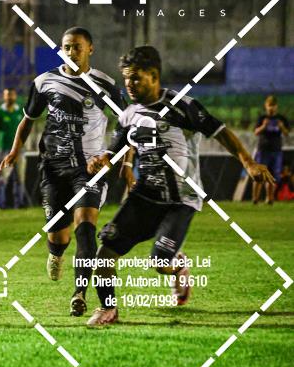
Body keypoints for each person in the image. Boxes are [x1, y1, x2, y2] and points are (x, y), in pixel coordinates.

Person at [86, 46, 274, 327]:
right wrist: (102, 160)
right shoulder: (128, 115)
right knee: (104, 255)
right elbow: (114, 149)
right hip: (144, 196)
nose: (129, 84)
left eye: (136, 77)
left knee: (160, 262)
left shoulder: (183, 106)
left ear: (154, 76)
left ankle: (177, 267)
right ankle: (108, 309)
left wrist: (248, 162)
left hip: (181, 199)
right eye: (126, 78)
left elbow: (220, 132)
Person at [0, 27, 128, 317]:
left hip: (90, 169)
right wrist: (15, 150)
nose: (71, 52)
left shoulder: (105, 85)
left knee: (86, 227)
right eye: (67, 47)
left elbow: (126, 124)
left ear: (90, 49)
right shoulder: (45, 81)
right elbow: (28, 120)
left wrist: (113, 158)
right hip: (53, 168)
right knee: (58, 236)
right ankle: (56, 254)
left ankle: (79, 293)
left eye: (77, 47)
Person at [0, 87, 27, 209]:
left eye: (11, 95)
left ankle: (20, 203)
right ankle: (1, 204)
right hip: (5, 149)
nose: (9, 97)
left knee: (20, 177)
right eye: (7, 95)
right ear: (4, 96)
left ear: (15, 96)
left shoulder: (20, 112)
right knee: (3, 178)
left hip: (19, 150)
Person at [253, 95, 288, 204]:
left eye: (273, 105)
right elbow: (256, 132)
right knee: (259, 175)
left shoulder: (281, 118)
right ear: (266, 106)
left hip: (276, 150)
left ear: (276, 106)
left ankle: (269, 198)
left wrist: (282, 127)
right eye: (269, 105)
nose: (271, 108)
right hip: (263, 150)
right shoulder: (262, 118)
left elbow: (286, 133)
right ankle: (255, 199)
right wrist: (263, 126)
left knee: (273, 176)